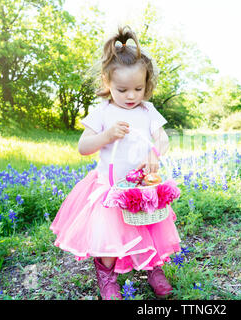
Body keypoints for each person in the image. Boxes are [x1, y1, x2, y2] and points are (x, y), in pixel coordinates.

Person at [50, 26, 181, 300]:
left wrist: (154, 154)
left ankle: (154, 270)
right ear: (108, 83)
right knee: (108, 239)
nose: (131, 95)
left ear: (147, 86)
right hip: (111, 189)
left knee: (151, 231)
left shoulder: (148, 111)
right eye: (122, 89)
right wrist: (106, 135)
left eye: (138, 88)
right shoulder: (102, 112)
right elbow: (83, 147)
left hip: (143, 188)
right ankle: (107, 279)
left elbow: (163, 139)